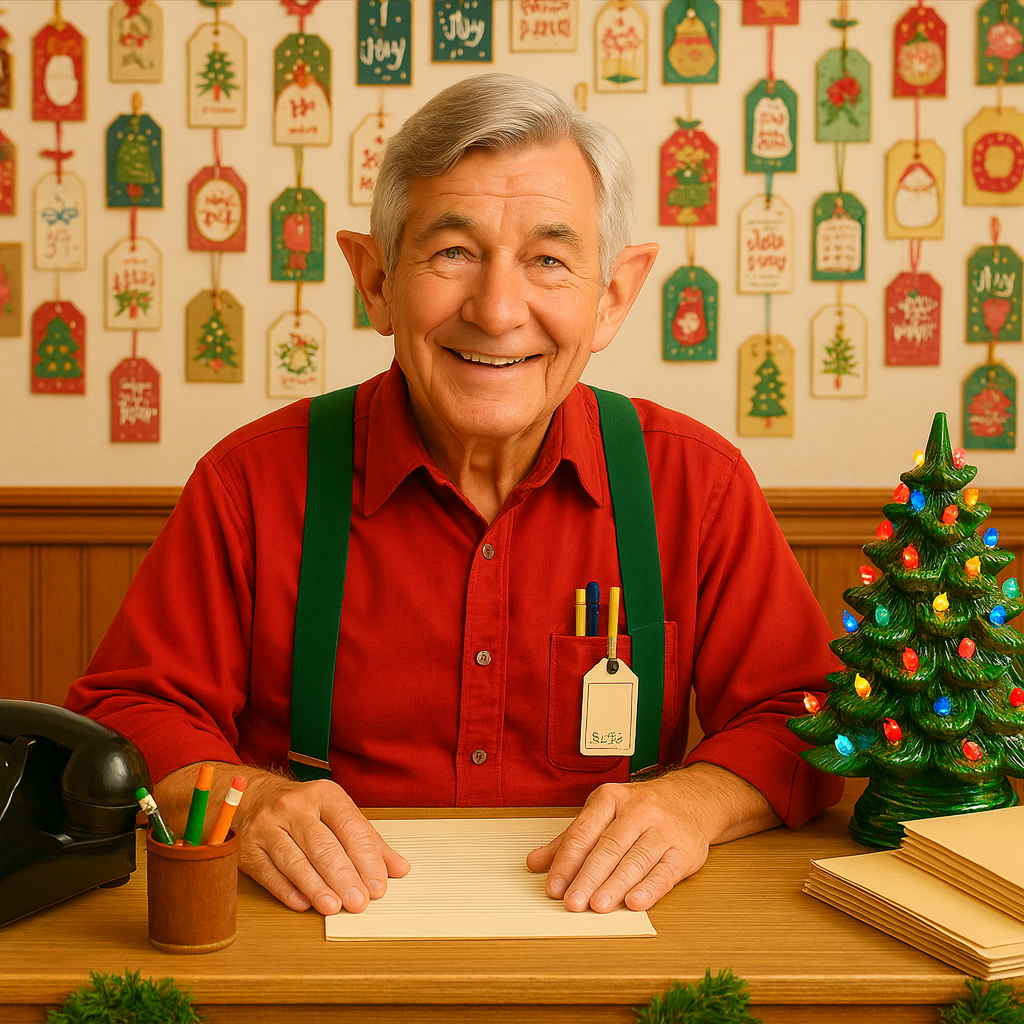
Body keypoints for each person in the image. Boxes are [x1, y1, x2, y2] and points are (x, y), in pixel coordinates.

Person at [65, 74, 841, 919]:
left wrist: (694, 802)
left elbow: (804, 714)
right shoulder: (249, 484)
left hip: (608, 948)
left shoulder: (698, 484)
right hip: (306, 947)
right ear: (376, 280)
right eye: (453, 253)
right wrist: (244, 801)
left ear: (612, 296)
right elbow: (130, 712)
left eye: (548, 259)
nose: (499, 310)